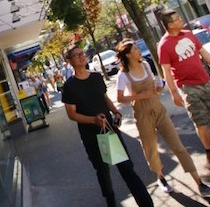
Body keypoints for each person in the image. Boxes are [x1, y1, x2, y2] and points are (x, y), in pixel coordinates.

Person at [115, 39, 210, 196]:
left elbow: (156, 86)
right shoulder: (123, 75)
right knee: (151, 149)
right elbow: (120, 98)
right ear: (127, 55)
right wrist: (140, 95)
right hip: (142, 115)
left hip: (159, 110)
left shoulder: (146, 65)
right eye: (135, 49)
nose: (138, 51)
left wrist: (159, 88)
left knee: (178, 146)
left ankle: (199, 182)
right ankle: (160, 177)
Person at [62, 45, 154, 207]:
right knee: (103, 171)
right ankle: (110, 200)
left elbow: (105, 98)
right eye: (76, 56)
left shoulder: (96, 77)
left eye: (81, 53)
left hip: (109, 131)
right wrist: (93, 120)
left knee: (127, 169)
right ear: (69, 61)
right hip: (91, 136)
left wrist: (116, 112)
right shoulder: (69, 86)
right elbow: (71, 114)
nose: (81, 57)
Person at [158, 10, 210, 171]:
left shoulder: (189, 34)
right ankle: (209, 152)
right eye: (177, 19)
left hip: (206, 81)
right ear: (170, 25)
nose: (181, 20)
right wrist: (174, 93)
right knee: (201, 121)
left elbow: (203, 53)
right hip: (188, 87)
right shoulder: (164, 45)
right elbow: (166, 72)